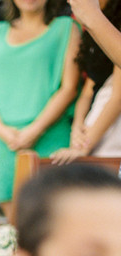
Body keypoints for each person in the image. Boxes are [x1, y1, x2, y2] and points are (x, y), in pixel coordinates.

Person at [0, 0, 80, 221]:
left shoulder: (66, 27)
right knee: (15, 228)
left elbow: (69, 87)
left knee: (51, 222)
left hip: (49, 138)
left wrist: (34, 131)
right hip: (2, 141)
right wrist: (2, 130)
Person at [51, 0, 121, 163]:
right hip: (94, 121)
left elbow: (117, 97)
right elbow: (89, 87)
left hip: (110, 133)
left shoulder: (102, 17)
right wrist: (77, 128)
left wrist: (84, 146)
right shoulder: (87, 17)